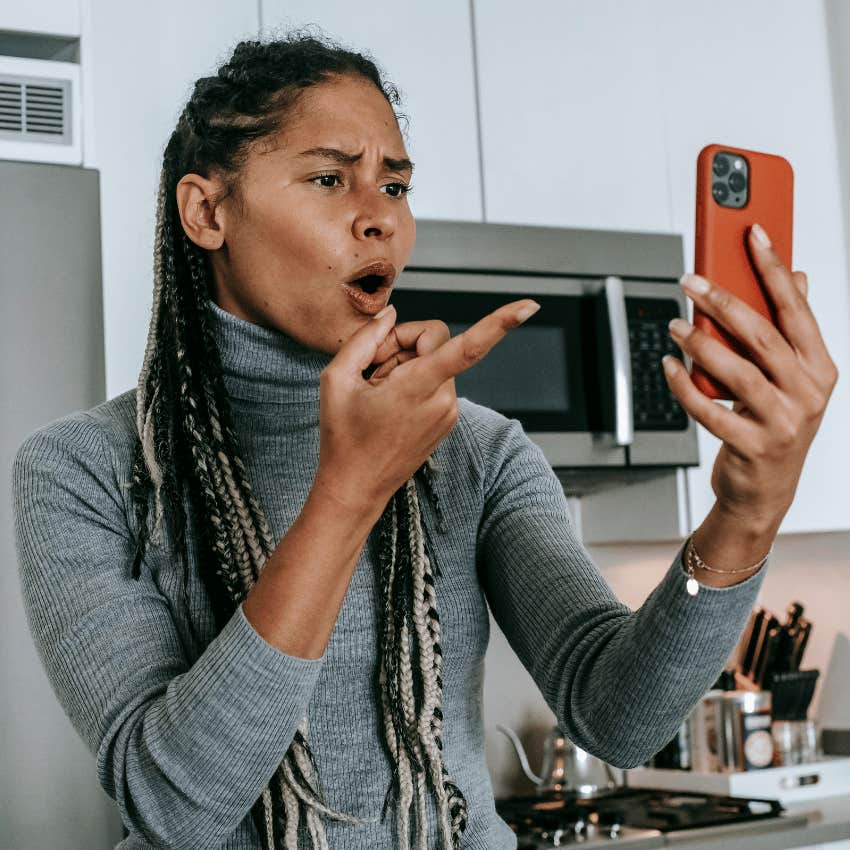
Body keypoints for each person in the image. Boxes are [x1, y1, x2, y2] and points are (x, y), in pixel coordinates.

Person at [11, 28, 838, 850]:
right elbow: (175, 807)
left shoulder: (476, 450)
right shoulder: (84, 471)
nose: (379, 220)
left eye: (396, 186)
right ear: (207, 212)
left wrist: (747, 514)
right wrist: (349, 494)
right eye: (330, 178)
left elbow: (616, 715)